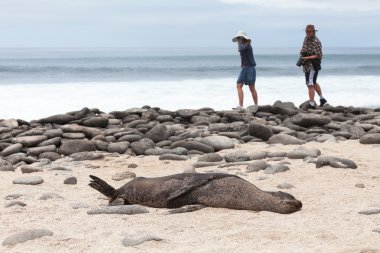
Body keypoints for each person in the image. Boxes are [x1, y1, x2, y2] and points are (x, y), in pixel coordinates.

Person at [300, 24, 328, 109]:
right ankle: (322, 99)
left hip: (313, 64)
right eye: (306, 31)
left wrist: (307, 57)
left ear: (313, 32)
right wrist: (302, 54)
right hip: (307, 64)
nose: (307, 33)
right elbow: (304, 49)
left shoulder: (316, 41)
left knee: (310, 84)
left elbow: (319, 55)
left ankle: (312, 104)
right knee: (313, 82)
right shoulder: (306, 39)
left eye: (309, 32)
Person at [232, 31, 258, 110]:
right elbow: (242, 54)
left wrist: (239, 43)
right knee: (248, 87)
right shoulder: (246, 45)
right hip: (248, 68)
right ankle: (254, 105)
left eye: (240, 38)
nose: (239, 40)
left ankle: (242, 105)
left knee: (241, 86)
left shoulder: (247, 45)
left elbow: (240, 50)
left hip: (248, 68)